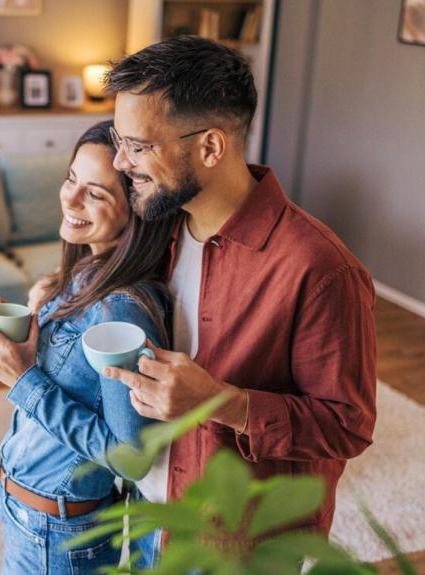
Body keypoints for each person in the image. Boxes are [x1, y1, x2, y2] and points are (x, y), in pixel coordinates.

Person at [99, 35, 379, 539]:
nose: (121, 163)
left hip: (238, 544)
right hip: (150, 516)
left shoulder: (319, 268)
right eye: (119, 143)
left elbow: (347, 426)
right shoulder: (156, 227)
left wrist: (220, 402)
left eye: (137, 146)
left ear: (210, 146)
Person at [0, 120, 177, 574]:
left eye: (97, 193)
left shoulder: (123, 312)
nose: (70, 198)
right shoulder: (84, 273)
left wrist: (22, 380)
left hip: (56, 531)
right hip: (27, 508)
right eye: (71, 179)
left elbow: (131, 457)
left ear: (136, 209)